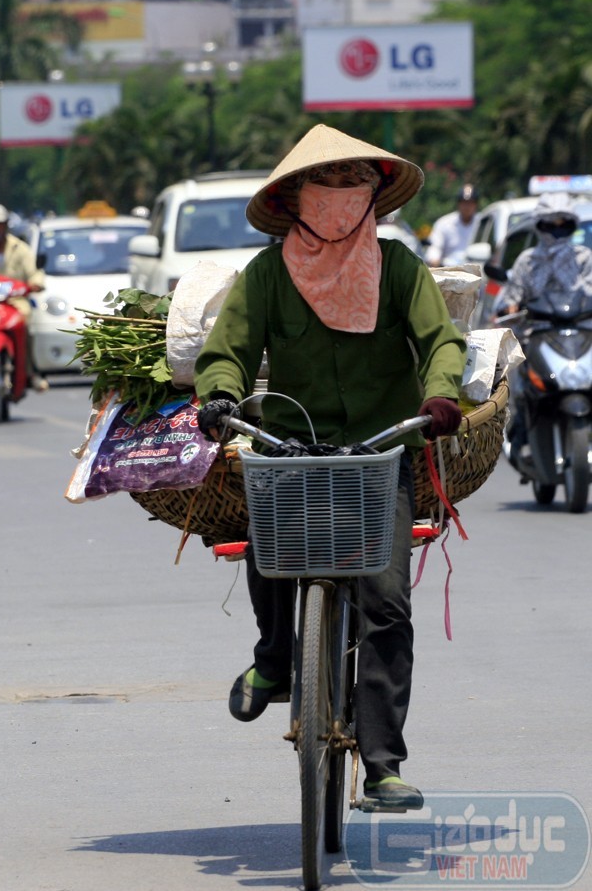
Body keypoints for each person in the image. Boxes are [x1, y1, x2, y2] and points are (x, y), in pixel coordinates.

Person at [194, 124, 467, 811]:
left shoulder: (400, 269)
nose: (342, 197)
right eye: (328, 184)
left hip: (382, 450)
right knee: (269, 551)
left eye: (356, 184)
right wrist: (220, 393)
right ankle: (274, 661)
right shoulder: (266, 274)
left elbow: (441, 340)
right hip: (293, 447)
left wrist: (440, 393)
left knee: (387, 604)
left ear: (375, 196)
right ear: (295, 199)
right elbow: (226, 348)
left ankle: (382, 766)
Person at [497, 191, 592, 460]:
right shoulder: (528, 261)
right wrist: (511, 307)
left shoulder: (584, 258)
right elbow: (511, 297)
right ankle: (521, 428)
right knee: (518, 382)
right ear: (540, 225)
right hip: (537, 333)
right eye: (551, 223)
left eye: (563, 223)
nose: (557, 230)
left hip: (580, 331)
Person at [0, 203, 48, 391]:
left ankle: (30, 371)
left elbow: (33, 273)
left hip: (14, 302)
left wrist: (36, 283)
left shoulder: (20, 248)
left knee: (26, 323)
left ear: (6, 225)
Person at [425, 183, 479, 267]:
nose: (467, 206)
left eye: (470, 203)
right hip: (448, 271)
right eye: (464, 202)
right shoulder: (444, 223)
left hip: (476, 272)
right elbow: (435, 246)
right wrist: (434, 259)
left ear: (476, 204)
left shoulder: (482, 223)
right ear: (458, 203)